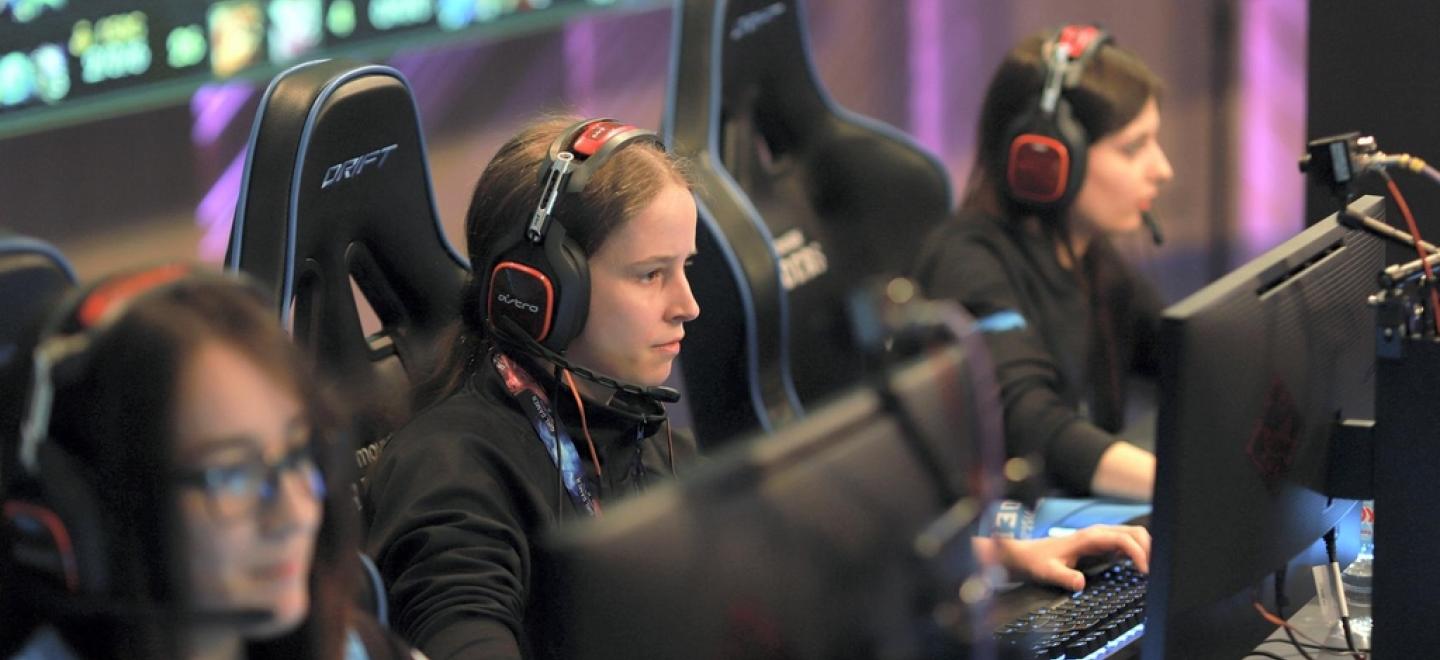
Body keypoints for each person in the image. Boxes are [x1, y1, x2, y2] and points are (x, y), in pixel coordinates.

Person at [1, 265, 416, 659]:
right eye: (232, 476)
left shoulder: (352, 648)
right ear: (97, 519)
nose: (297, 513)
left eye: (300, 452)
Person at [915, 25, 1173, 501]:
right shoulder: (969, 262)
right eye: (1133, 148)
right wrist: (1190, 489)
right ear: (1048, 160)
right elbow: (1033, 427)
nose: (1162, 169)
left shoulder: (1092, 254)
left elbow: (1185, 355)